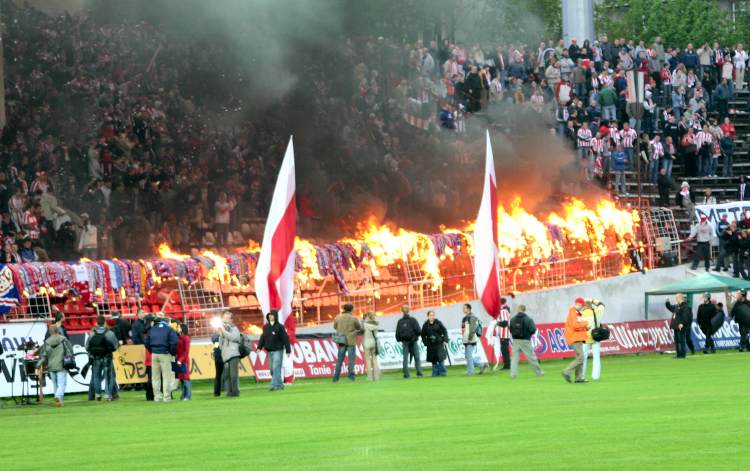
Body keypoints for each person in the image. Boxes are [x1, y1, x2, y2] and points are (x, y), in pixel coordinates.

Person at [146, 312, 179, 401]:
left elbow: (146, 342)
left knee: (155, 377)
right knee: (166, 377)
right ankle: (166, 397)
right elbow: (174, 342)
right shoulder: (169, 329)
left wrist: (152, 351)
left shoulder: (152, 329)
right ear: (167, 322)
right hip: (165, 353)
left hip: (154, 354)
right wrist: (171, 352)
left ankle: (157, 397)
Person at [37, 325, 73, 407]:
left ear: (50, 332)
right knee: (62, 384)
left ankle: (59, 401)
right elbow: (70, 350)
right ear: (58, 330)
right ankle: (58, 397)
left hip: (51, 366)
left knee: (55, 384)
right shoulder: (63, 339)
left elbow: (43, 355)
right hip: (61, 364)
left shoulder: (47, 342)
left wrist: (39, 364)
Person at [85, 315, 119, 401]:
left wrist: (92, 353)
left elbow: (87, 346)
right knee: (109, 377)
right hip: (107, 358)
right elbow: (115, 346)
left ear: (96, 323)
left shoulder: (92, 333)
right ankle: (108, 394)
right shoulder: (110, 333)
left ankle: (97, 394)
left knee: (96, 376)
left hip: (96, 358)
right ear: (105, 322)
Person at [257, 310, 292, 391]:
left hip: (278, 350)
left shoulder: (280, 327)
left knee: (276, 367)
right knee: (272, 370)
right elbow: (263, 337)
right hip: (269, 351)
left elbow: (285, 339)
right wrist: (259, 347)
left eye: (272, 315)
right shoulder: (265, 327)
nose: (270, 316)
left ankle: (273, 385)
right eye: (269, 315)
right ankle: (280, 385)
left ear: (275, 316)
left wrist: (288, 350)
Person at [509, 305, 544, 378]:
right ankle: (539, 373)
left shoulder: (512, 319)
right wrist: (528, 335)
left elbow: (510, 329)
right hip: (525, 340)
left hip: (516, 340)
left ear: (517, 310)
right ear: (525, 310)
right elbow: (533, 329)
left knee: (514, 358)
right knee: (531, 358)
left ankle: (513, 374)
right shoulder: (528, 319)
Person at [561, 297, 589, 383]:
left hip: (577, 337)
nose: (583, 307)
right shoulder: (573, 312)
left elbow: (578, 326)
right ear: (579, 304)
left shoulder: (576, 313)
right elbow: (575, 326)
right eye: (582, 305)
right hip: (575, 337)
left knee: (579, 357)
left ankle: (578, 378)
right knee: (581, 358)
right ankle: (566, 371)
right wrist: (586, 323)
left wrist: (585, 328)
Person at [332, 303, 362, 382]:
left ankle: (335, 378)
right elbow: (359, 327)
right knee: (351, 360)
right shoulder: (353, 318)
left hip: (341, 340)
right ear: (351, 309)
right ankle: (351, 377)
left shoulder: (338, 317)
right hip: (351, 340)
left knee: (339, 360)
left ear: (344, 309)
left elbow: (334, 326)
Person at [395, 304, 423, 378]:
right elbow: (419, 331)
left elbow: (397, 334)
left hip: (405, 342)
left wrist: (401, 339)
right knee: (417, 357)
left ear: (402, 311)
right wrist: (415, 337)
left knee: (405, 359)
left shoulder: (400, 321)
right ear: (409, 310)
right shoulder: (413, 320)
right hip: (413, 342)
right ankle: (419, 372)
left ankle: (406, 374)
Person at [218, 311, 241, 396]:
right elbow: (220, 345)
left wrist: (224, 331)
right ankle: (229, 392)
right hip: (225, 355)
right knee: (227, 376)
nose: (226, 320)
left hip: (234, 354)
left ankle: (235, 392)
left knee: (234, 375)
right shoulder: (222, 330)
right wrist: (221, 335)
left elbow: (234, 337)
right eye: (224, 318)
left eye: (228, 318)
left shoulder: (234, 329)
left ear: (231, 320)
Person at [580, 299, 605, 381]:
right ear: (591, 305)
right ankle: (596, 376)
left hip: (585, 337)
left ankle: (582, 376)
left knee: (583, 358)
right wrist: (593, 300)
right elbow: (602, 304)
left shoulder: (581, 314)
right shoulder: (597, 311)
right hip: (596, 337)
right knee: (596, 357)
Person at [461, 303, 487, 375]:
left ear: (468, 309)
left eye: (465, 308)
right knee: (467, 356)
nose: (463, 309)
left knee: (469, 355)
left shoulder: (472, 317)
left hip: (471, 338)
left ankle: (470, 372)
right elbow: (464, 329)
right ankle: (482, 365)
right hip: (466, 338)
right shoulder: (465, 318)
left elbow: (472, 329)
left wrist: (469, 338)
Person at [421, 310, 449, 377]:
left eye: (433, 315)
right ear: (428, 316)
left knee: (440, 359)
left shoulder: (438, 323)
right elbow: (422, 335)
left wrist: (445, 340)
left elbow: (444, 331)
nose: (432, 316)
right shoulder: (425, 325)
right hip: (430, 344)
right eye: (430, 315)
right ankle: (435, 373)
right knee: (433, 360)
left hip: (439, 343)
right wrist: (426, 342)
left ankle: (443, 372)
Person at [666, 293, 691, 359]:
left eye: (677, 298)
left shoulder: (685, 306)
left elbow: (686, 316)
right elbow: (671, 308)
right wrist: (667, 303)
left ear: (680, 298)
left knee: (681, 341)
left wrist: (682, 323)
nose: (676, 299)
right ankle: (678, 354)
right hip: (676, 326)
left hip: (680, 326)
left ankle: (682, 355)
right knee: (677, 341)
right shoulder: (677, 306)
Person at [362, 312, 381, 381]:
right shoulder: (376, 324)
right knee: (375, 359)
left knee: (368, 360)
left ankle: (369, 377)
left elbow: (361, 329)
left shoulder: (365, 324)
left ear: (368, 317)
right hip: (374, 342)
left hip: (366, 342)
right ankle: (376, 377)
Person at [176, 323, 192, 400]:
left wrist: (180, 360)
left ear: (182, 328)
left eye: (178, 327)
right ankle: (183, 395)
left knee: (186, 379)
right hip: (179, 360)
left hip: (184, 361)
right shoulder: (179, 337)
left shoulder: (186, 338)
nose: (177, 328)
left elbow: (186, 351)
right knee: (181, 379)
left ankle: (187, 396)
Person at [211, 332, 224, 396]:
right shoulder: (218, 341)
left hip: (219, 358)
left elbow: (214, 341)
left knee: (218, 376)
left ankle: (217, 392)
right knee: (219, 375)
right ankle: (217, 391)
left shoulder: (216, 342)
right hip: (222, 358)